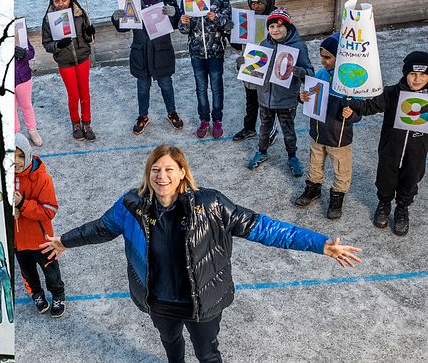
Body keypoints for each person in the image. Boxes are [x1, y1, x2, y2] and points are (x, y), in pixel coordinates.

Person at [40, 144, 361, 363]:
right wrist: (64, 241)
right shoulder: (131, 205)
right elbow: (100, 228)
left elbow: (265, 228)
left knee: (207, 354)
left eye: (168, 169)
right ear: (147, 175)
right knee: (170, 343)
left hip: (202, 302)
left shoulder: (212, 205)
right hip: (158, 302)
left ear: (182, 172)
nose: (161, 176)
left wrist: (320, 244)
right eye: (155, 170)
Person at [343, 51, 428, 236]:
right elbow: (370, 106)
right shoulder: (392, 93)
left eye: (423, 75)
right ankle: (384, 203)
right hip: (391, 148)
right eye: (413, 74)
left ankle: (402, 208)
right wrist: (352, 101)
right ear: (405, 73)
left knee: (411, 178)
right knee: (385, 178)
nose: (417, 79)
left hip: (417, 151)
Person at [111, 0, 183, 135]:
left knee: (166, 84)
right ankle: (143, 115)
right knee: (143, 87)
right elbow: (123, 27)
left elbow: (176, 23)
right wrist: (116, 18)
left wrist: (174, 14)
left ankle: (171, 112)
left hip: (161, 51)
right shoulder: (133, 1)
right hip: (140, 51)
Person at [296, 34, 361, 219]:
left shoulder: (349, 82)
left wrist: (352, 115)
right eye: (321, 56)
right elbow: (311, 96)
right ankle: (313, 188)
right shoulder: (321, 74)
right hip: (317, 133)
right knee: (314, 164)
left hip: (338, 137)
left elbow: (359, 110)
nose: (323, 61)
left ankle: (337, 196)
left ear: (340, 57)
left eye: (327, 57)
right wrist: (302, 98)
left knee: (341, 169)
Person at [246, 7, 314, 176]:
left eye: (279, 26)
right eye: (271, 27)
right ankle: (262, 152)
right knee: (264, 128)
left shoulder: (298, 47)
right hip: (265, 98)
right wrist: (244, 64)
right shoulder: (264, 44)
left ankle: (292, 156)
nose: (275, 30)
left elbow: (310, 72)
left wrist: (302, 73)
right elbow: (256, 70)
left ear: (287, 27)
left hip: (287, 99)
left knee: (289, 131)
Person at [179, 0, 231, 139]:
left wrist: (215, 18)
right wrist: (183, 22)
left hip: (216, 51)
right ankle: (204, 120)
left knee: (216, 87)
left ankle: (217, 120)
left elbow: (228, 25)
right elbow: (184, 30)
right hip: (196, 52)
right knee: (201, 88)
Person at [14, 133, 65, 317]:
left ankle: (58, 294)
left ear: (28, 154)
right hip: (18, 241)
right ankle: (36, 293)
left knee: (50, 271)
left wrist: (22, 204)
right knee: (27, 272)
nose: (17, 162)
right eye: (11, 156)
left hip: (41, 240)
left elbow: (49, 210)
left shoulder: (43, 179)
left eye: (20, 156)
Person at [41, 0, 97, 141]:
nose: (60, 3)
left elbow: (88, 38)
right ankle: (76, 123)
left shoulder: (79, 14)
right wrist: (58, 45)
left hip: (82, 58)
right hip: (65, 62)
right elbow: (47, 44)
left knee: (84, 93)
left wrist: (89, 33)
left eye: (64, 0)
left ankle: (86, 123)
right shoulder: (48, 20)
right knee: (73, 95)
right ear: (52, 2)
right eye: (57, 0)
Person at [232, 0, 279, 145]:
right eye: (253, 3)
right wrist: (229, 32)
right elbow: (238, 45)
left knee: (268, 103)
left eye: (260, 2)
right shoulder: (246, 19)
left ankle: (271, 131)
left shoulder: (278, 20)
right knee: (251, 100)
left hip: (269, 68)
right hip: (251, 67)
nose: (256, 6)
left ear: (269, 1)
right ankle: (249, 127)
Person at [15, 40, 43, 146]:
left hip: (23, 77)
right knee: (11, 109)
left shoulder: (20, 33)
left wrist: (24, 54)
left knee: (26, 105)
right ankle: (15, 134)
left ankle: (32, 131)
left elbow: (31, 52)